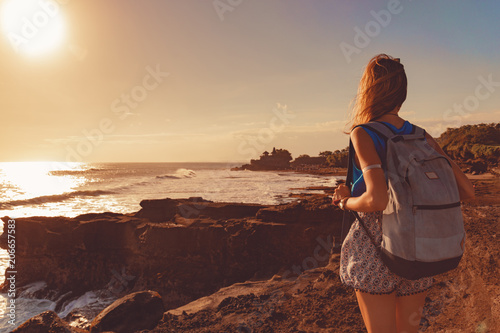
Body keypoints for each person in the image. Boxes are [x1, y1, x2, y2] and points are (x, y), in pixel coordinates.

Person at [332, 54, 475, 333]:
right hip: (419, 246)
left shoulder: (364, 133)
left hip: (375, 247)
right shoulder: (420, 135)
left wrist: (345, 201)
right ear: (403, 93)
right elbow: (467, 190)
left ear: (368, 91)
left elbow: (377, 199)